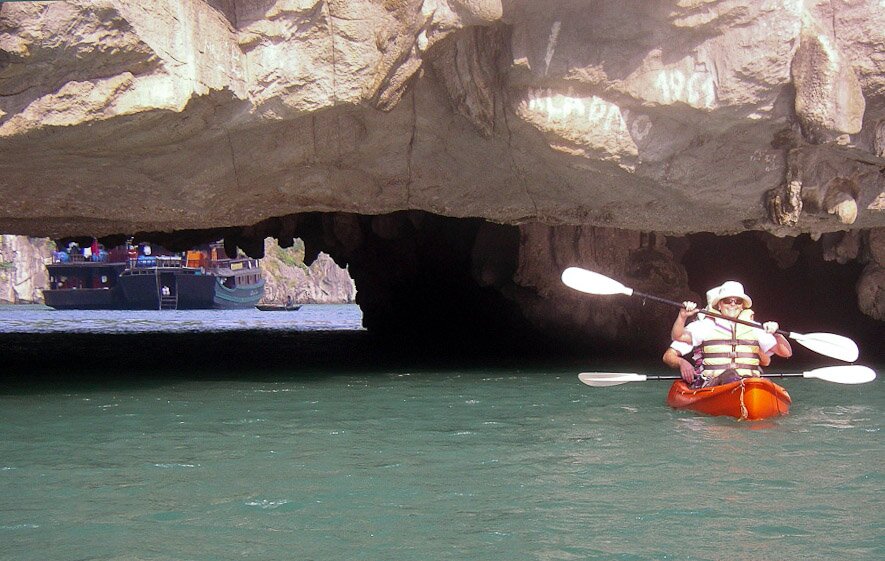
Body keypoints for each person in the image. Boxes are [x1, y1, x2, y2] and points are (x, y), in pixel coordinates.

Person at [663, 281, 792, 387]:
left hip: (749, 383)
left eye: (737, 301)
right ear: (719, 305)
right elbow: (677, 336)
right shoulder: (705, 326)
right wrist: (682, 316)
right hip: (715, 384)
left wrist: (776, 334)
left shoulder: (755, 328)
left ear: (742, 306)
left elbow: (786, 353)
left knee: (756, 381)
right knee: (729, 374)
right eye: (727, 301)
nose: (732, 304)